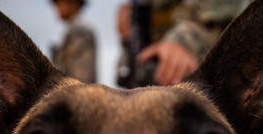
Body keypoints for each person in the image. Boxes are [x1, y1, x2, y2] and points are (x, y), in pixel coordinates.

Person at [117, 0, 251, 86]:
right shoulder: (139, 8)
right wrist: (127, 42)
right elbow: (127, 75)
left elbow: (222, 21)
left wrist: (182, 44)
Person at [50, 0, 97, 83]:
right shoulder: (74, 30)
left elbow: (82, 78)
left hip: (77, 93)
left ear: (72, 4)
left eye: (59, 3)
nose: (56, 8)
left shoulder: (79, 31)